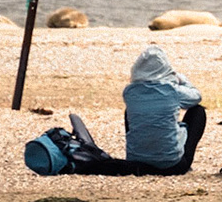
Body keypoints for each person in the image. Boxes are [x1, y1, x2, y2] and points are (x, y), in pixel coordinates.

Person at [66, 45, 206, 176]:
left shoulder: (130, 92)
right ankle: (185, 162)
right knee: (198, 111)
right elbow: (196, 97)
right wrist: (182, 80)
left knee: (131, 112)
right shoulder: (172, 90)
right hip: (173, 166)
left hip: (137, 162)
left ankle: (140, 153)